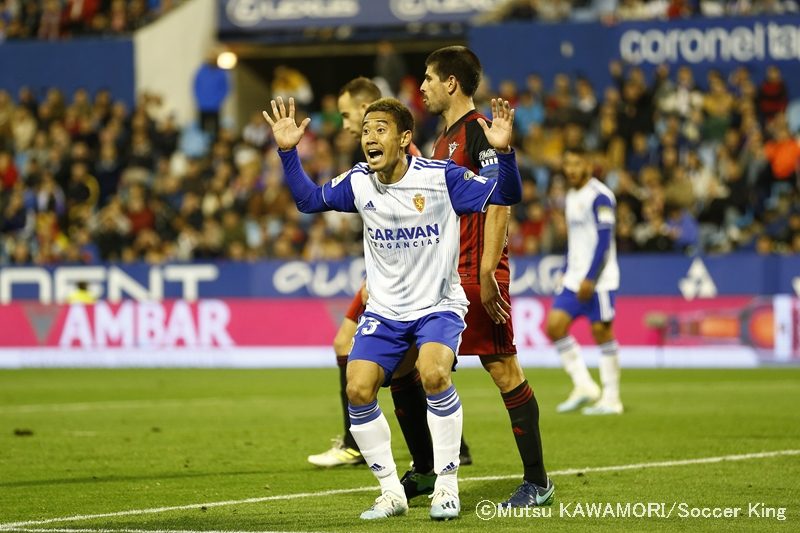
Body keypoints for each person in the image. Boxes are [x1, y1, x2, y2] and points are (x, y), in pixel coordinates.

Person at [262, 95, 522, 520]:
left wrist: (505, 153)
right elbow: (308, 201)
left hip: (437, 305)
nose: (369, 137)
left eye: (379, 129)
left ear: (404, 138)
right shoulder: (359, 181)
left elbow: (505, 194)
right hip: (385, 312)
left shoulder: (442, 177)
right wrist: (288, 151)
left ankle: (446, 486)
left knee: (434, 374)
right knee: (357, 389)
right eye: (365, 130)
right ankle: (391, 493)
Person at [309, 77, 472, 481]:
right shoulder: (368, 168)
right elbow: (311, 200)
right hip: (389, 282)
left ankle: (433, 456)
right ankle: (421, 457)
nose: (350, 127)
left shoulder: (410, 163)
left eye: (353, 116)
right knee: (387, 364)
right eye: (359, 125)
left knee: (420, 367)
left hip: (415, 287)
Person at [420, 45, 553, 507]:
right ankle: (431, 467)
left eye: (429, 78)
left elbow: (501, 200)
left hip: (477, 271)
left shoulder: (476, 132)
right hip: (444, 273)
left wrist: (486, 268)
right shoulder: (444, 139)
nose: (422, 87)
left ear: (451, 82)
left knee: (502, 368)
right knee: (419, 366)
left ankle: (536, 480)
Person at [545, 146, 623, 415]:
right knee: (555, 326)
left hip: (599, 279)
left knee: (602, 333)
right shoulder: (570, 195)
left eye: (577, 163)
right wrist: (566, 271)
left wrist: (590, 277)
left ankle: (612, 398)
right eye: (568, 164)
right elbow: (574, 241)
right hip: (574, 278)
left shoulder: (600, 196)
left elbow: (604, 240)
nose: (571, 169)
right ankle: (584, 385)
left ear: (589, 164)